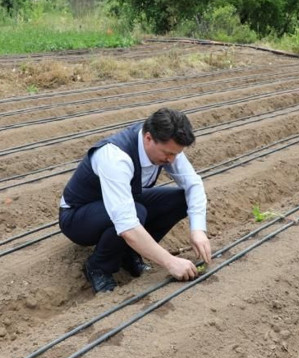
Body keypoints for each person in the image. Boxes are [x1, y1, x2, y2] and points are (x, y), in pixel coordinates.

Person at [59, 107, 212, 292]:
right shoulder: (115, 158)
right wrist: (170, 262)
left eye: (176, 154)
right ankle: (98, 267)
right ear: (148, 138)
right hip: (77, 217)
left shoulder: (165, 145)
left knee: (181, 200)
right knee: (136, 213)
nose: (172, 160)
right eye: (168, 153)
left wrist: (198, 229)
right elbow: (127, 226)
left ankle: (129, 254)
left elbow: (193, 184)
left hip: (119, 203)